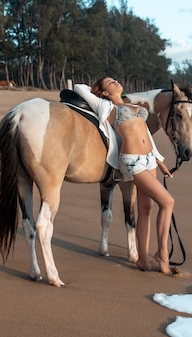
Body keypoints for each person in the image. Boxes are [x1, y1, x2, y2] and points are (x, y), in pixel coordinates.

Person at [73, 78, 175, 274]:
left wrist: (159, 160)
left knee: (146, 209)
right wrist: (97, 92)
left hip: (149, 159)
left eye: (115, 80)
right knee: (168, 202)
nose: (116, 81)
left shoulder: (132, 105)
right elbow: (79, 87)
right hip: (132, 161)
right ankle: (162, 254)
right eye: (110, 82)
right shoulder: (104, 105)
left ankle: (143, 260)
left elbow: (145, 131)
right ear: (103, 92)